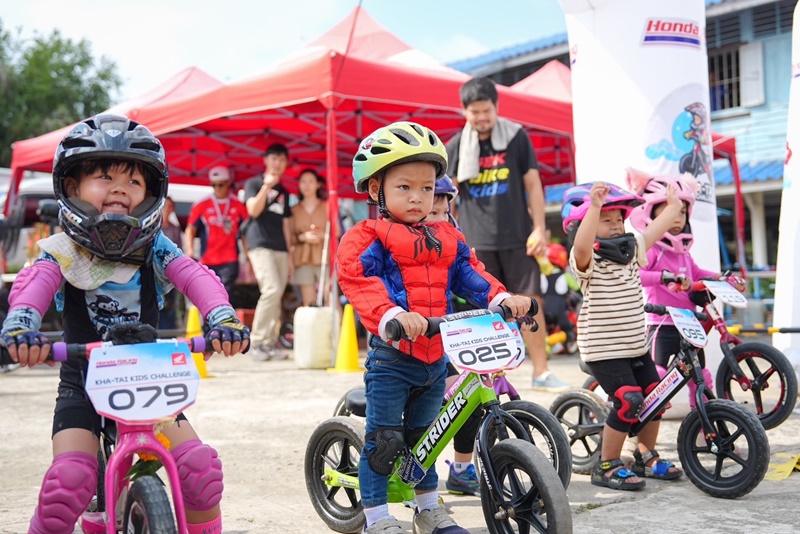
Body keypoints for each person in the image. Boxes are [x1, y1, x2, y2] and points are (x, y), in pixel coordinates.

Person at [0, 114, 250, 533]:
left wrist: (222, 318)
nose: (120, 188)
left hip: (148, 380)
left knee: (200, 474)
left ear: (151, 195)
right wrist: (21, 326)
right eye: (104, 176)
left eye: (134, 181)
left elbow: (194, 276)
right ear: (72, 188)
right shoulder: (62, 251)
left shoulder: (155, 248)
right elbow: (35, 284)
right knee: (66, 487)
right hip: (82, 383)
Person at [338, 121, 535, 534]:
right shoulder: (366, 236)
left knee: (426, 438)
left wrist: (500, 298)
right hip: (393, 358)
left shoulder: (446, 235)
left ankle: (428, 510)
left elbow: (470, 274)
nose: (418, 197)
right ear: (375, 189)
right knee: (384, 440)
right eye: (404, 187)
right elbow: (360, 281)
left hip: (436, 355)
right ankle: (377, 518)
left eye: (426, 188)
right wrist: (393, 315)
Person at [445, 76, 566, 392]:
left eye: (487, 110)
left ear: (496, 107)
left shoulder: (516, 137)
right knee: (484, 311)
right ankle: (489, 379)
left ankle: (541, 371)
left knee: (531, 302)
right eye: (475, 112)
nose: (482, 117)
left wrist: (539, 228)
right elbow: (446, 197)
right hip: (476, 242)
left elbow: (533, 185)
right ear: (464, 111)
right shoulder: (456, 146)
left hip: (519, 237)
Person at [563, 180, 683, 491]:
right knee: (629, 401)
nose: (616, 225)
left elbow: (655, 230)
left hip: (635, 346)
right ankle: (607, 465)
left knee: (657, 398)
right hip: (603, 350)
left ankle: (644, 455)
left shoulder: (630, 252)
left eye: (619, 219)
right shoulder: (587, 260)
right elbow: (582, 246)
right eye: (607, 220)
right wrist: (595, 207)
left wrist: (673, 207)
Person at [627, 170, 746, 414]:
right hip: (661, 323)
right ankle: (641, 419)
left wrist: (723, 278)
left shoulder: (683, 253)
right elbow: (635, 275)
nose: (678, 218)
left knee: (700, 376)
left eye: (682, 212)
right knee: (656, 374)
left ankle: (704, 420)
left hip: (689, 324)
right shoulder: (652, 250)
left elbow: (697, 272)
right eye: (670, 211)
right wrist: (663, 276)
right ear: (651, 214)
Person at [426, 174, 482, 496]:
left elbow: (474, 279)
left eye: (444, 213)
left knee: (469, 397)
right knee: (422, 413)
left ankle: (461, 469)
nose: (440, 220)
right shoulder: (399, 249)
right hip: (405, 348)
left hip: (440, 345)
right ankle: (416, 478)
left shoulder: (452, 246)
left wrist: (503, 300)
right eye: (432, 214)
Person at [244, 144, 293, 361]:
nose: (278, 163)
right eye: (274, 158)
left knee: (278, 293)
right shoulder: (254, 183)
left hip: (281, 246)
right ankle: (257, 341)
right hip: (260, 244)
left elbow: (286, 224)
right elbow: (253, 210)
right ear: (265, 160)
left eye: (282, 160)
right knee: (271, 289)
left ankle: (269, 343)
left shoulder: (285, 192)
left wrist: (290, 254)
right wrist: (266, 187)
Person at [185, 165, 248, 299]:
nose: (217, 188)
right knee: (206, 295)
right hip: (207, 260)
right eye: (214, 185)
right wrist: (190, 251)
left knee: (224, 295)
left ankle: (223, 313)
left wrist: (248, 257)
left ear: (228, 183)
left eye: (221, 185)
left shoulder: (238, 205)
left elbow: (245, 234)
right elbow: (190, 229)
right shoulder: (201, 204)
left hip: (230, 259)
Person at [290, 169, 330, 306]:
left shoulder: (327, 206)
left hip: (325, 256)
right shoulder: (294, 210)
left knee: (330, 296)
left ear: (318, 184)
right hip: (302, 258)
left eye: (311, 182)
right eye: (303, 182)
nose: (307, 185)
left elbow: (336, 233)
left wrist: (322, 235)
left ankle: (338, 321)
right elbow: (290, 237)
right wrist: (303, 237)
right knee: (309, 301)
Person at [158, 196, 184, 330]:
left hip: (171, 273)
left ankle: (169, 332)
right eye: (165, 207)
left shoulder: (175, 229)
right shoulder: (155, 228)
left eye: (170, 207)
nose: (167, 210)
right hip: (156, 271)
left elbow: (180, 251)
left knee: (171, 305)